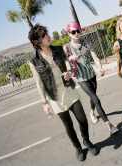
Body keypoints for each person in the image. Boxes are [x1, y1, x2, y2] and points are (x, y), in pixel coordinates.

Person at [28, 24, 98, 162]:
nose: (48, 36)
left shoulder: (59, 50)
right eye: (44, 35)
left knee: (82, 119)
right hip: (55, 98)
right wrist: (44, 103)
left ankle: (86, 141)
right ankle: (78, 147)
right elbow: (39, 82)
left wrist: (69, 72)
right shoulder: (33, 61)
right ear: (37, 42)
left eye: (46, 33)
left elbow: (70, 66)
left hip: (69, 90)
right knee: (68, 125)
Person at [63, 22, 119, 135]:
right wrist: (71, 58)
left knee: (93, 96)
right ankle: (109, 125)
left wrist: (100, 67)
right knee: (96, 99)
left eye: (77, 30)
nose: (76, 33)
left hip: (91, 74)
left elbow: (94, 55)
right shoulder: (67, 47)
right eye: (73, 32)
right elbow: (65, 62)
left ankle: (92, 112)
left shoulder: (86, 42)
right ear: (69, 33)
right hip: (81, 78)